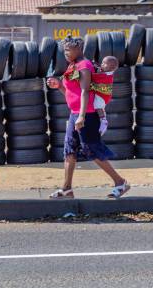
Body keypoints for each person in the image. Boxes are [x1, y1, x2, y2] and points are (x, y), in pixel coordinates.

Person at [46, 36, 129, 199]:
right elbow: (72, 93)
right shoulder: (73, 65)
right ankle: (67, 188)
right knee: (69, 151)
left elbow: (85, 92)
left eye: (69, 49)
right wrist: (59, 86)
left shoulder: (84, 65)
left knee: (91, 149)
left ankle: (121, 182)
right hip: (75, 114)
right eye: (64, 50)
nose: (65, 53)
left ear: (79, 49)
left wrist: (82, 116)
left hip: (88, 115)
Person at [91, 55, 119, 135]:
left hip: (102, 95)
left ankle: (103, 120)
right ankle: (103, 117)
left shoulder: (107, 75)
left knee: (97, 106)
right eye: (102, 62)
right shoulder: (106, 72)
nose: (102, 64)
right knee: (100, 107)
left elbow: (95, 77)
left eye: (105, 64)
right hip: (104, 95)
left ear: (112, 67)